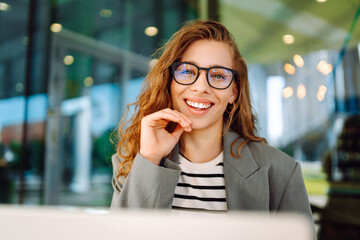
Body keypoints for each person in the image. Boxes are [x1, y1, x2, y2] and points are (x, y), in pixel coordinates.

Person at [111, 20, 314, 226]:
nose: (201, 87)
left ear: (233, 91)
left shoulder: (281, 172)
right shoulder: (132, 161)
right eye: (188, 71)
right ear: (169, 81)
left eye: (217, 75)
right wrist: (151, 158)